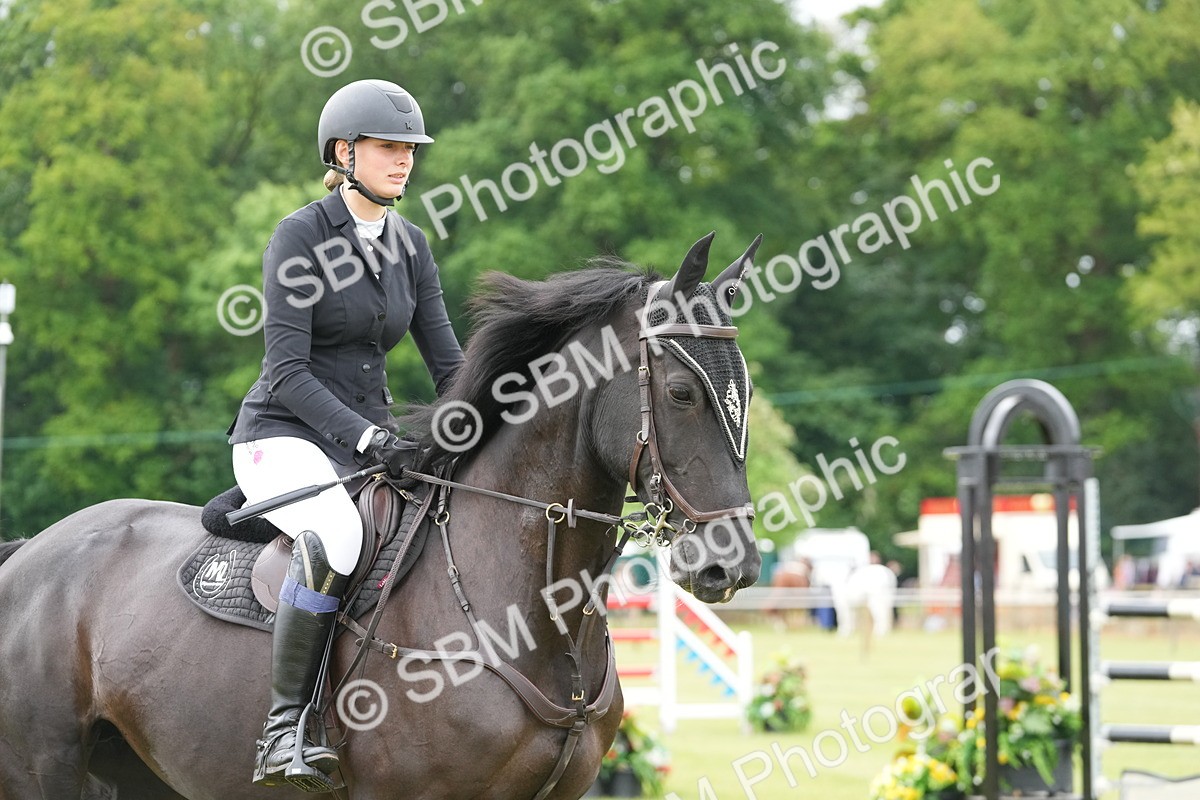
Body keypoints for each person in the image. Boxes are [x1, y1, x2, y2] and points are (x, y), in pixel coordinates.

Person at [227, 78, 463, 790]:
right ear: (344, 153)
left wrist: (503, 413)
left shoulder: (410, 245)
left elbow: (451, 366)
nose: (405, 160)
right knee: (338, 534)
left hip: (367, 442)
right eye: (389, 147)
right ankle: (283, 729)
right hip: (280, 435)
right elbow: (287, 371)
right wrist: (368, 440)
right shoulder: (299, 237)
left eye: (411, 149)